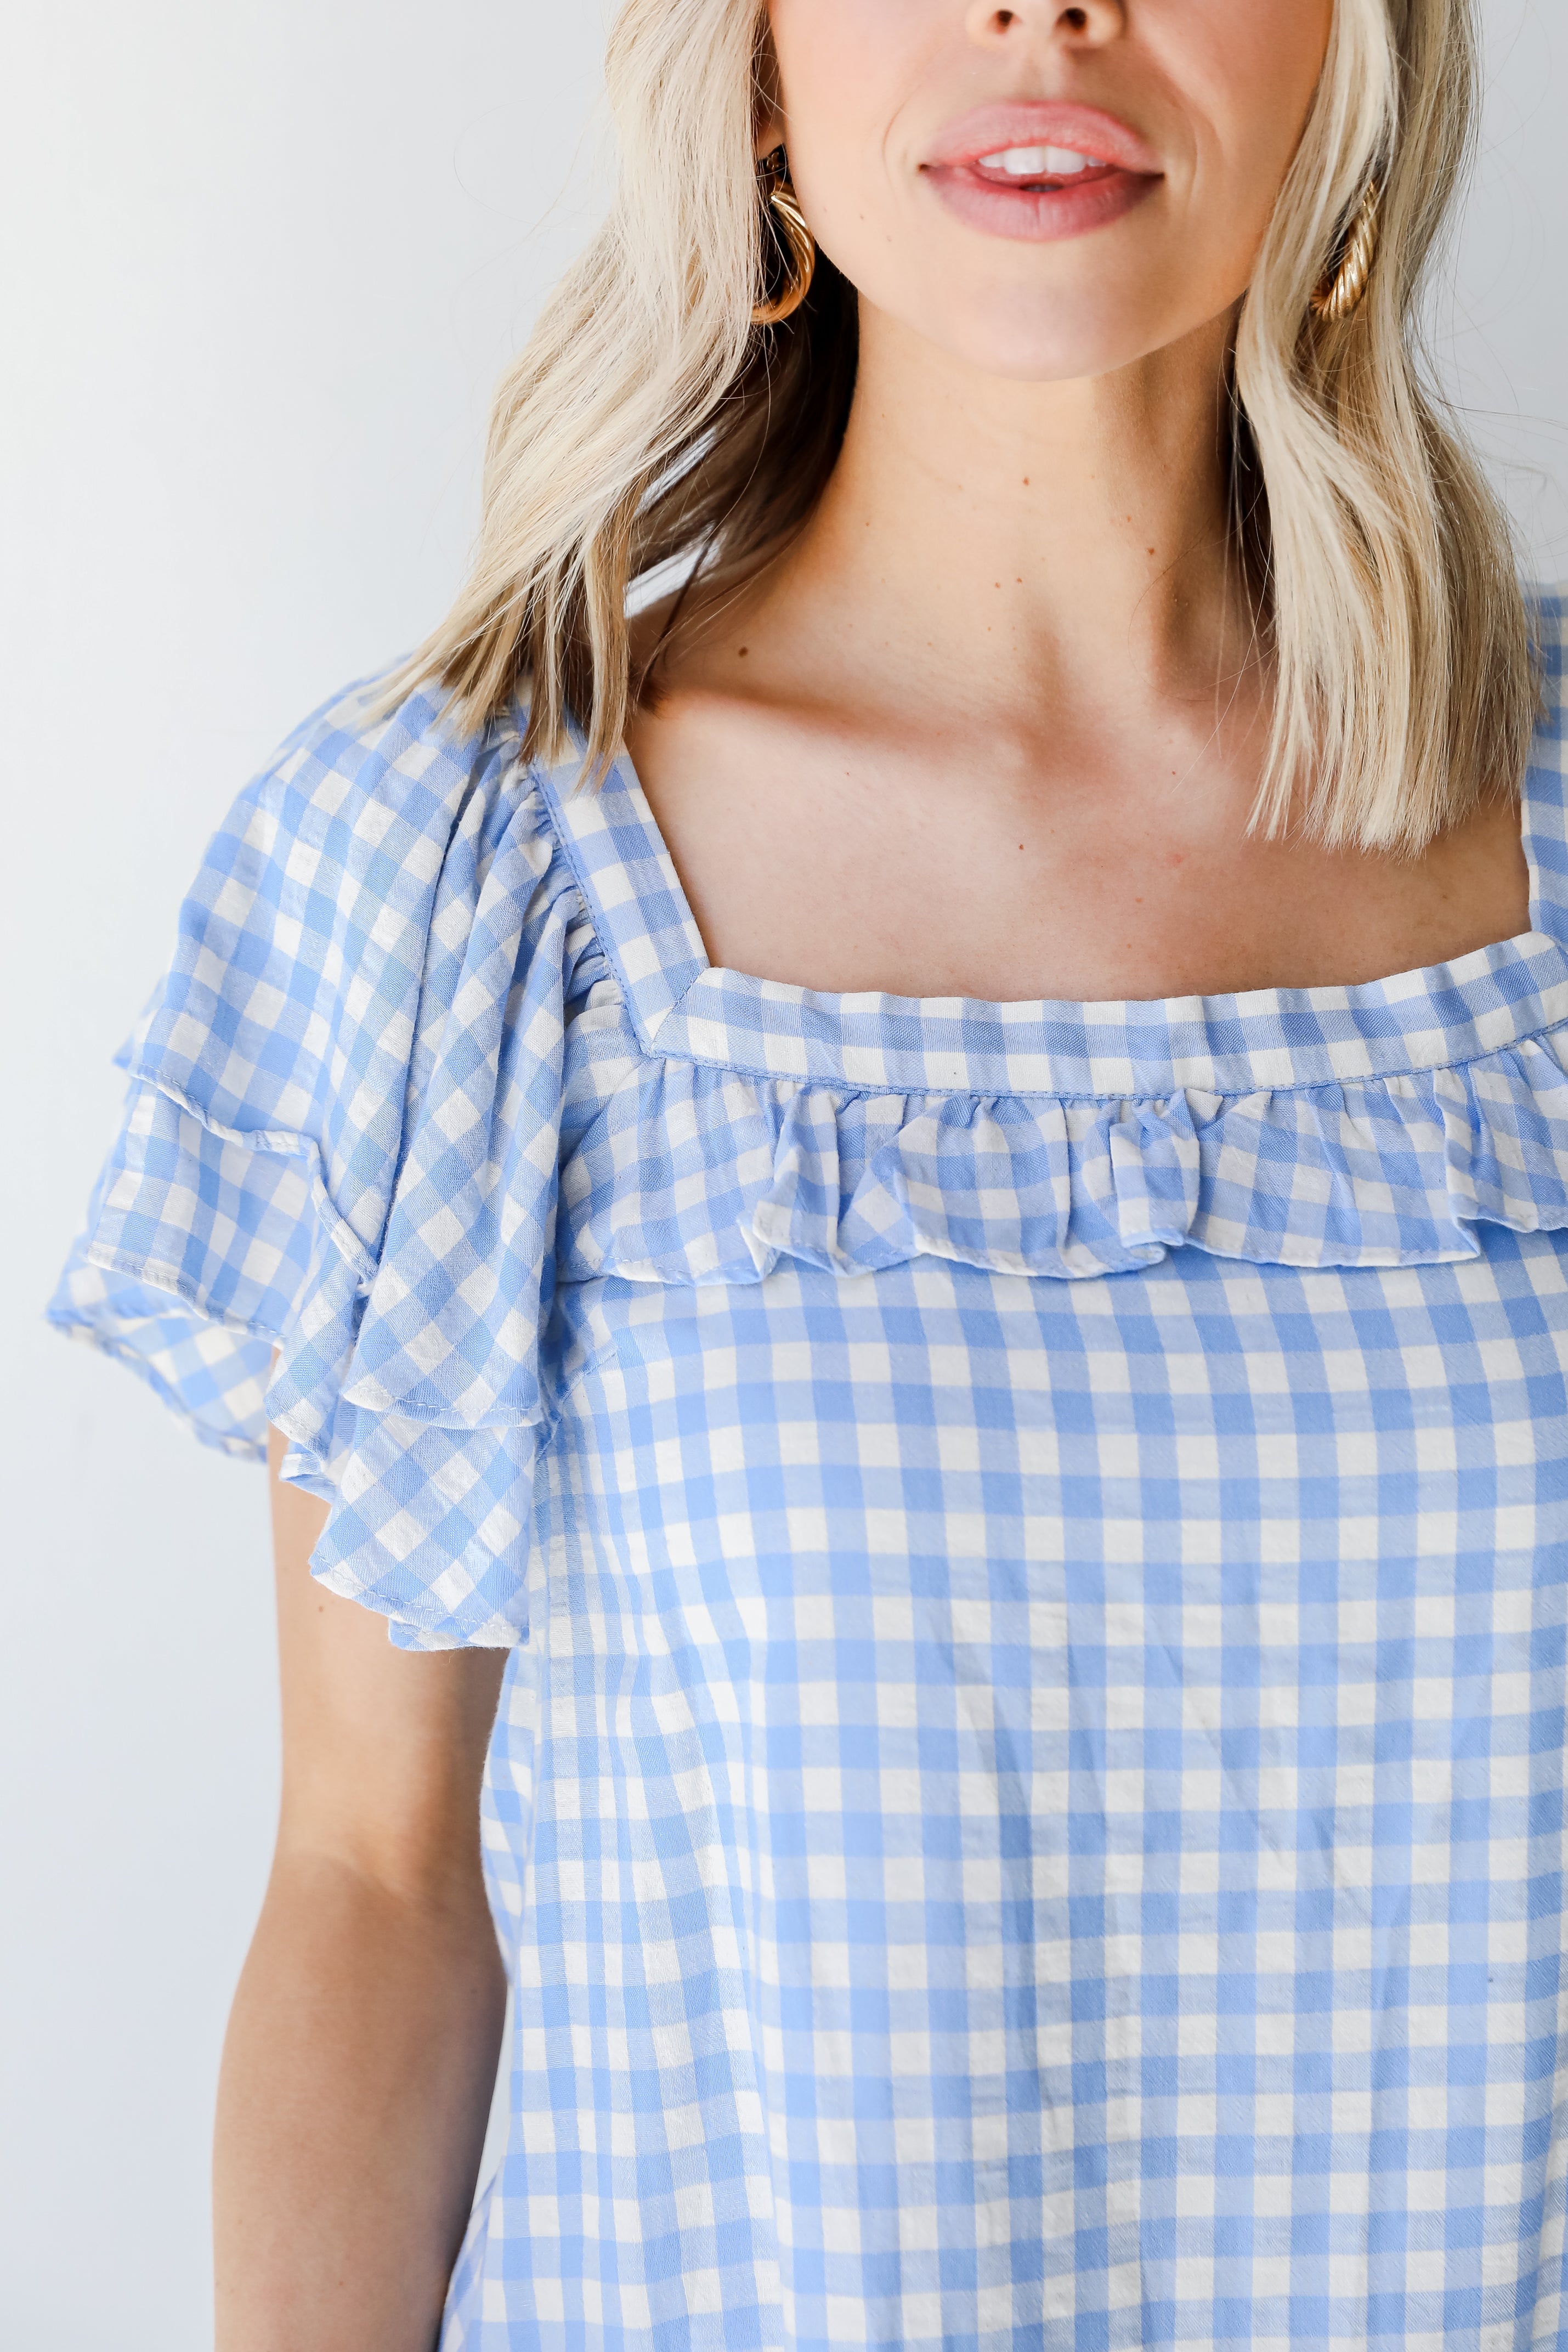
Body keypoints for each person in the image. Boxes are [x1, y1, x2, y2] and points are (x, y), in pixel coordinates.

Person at [49, 0, 1568, 2344]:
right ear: (752, 77)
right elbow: (375, 1876)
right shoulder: (466, 874)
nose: (1043, 14)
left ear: (1352, 63)